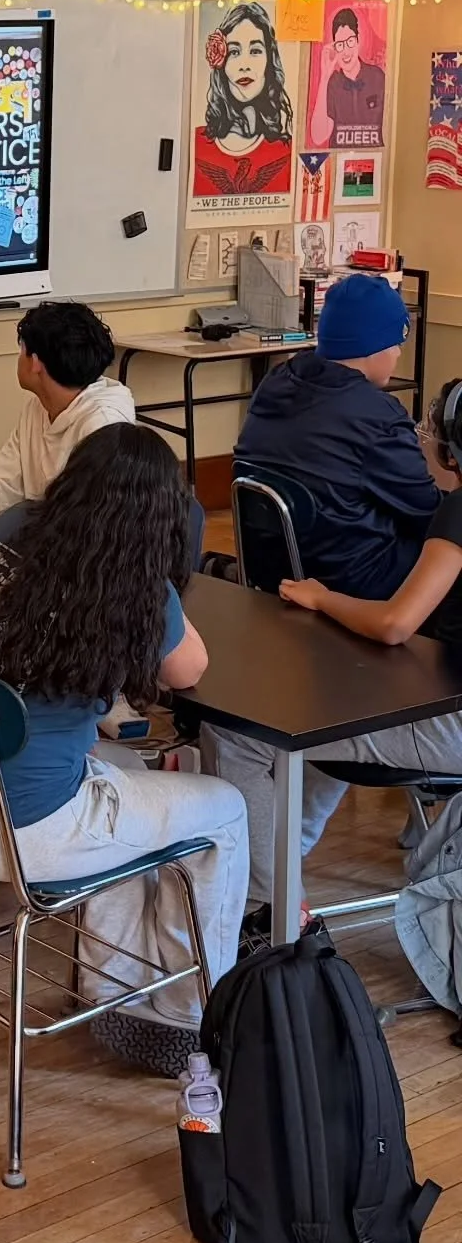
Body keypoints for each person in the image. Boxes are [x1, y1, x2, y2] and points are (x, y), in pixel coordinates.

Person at [0, 424, 249, 1075]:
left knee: (121, 769)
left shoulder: (8, 527)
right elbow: (189, 669)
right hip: (28, 832)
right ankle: (190, 1016)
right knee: (225, 811)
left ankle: (111, 990)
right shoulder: (132, 582)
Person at [206, 381, 462, 920]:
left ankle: (273, 909)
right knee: (331, 720)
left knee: (238, 735)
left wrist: (323, 598)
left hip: (451, 723)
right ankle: (284, 866)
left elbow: (394, 624)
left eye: (430, 434)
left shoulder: (458, 511)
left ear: (451, 453)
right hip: (442, 701)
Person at [234, 271, 436, 599]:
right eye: (397, 342)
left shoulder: (275, 382)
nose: (399, 353)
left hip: (271, 568)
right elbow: (425, 513)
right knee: (449, 543)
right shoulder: (376, 416)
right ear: (374, 345)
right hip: (349, 578)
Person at [0, 300, 135, 540]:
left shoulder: (103, 424)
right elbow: (3, 477)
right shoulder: (38, 408)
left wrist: (2, 528)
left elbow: (91, 525)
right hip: (40, 545)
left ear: (35, 363)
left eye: (22, 351)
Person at [192, 1, 294, 199]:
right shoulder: (198, 143)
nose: (244, 65)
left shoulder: (286, 149)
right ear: (221, 62)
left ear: (269, 60)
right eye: (234, 52)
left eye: (255, 51)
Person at [309, 6, 386, 151]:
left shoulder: (378, 77)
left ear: (358, 40)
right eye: (340, 45)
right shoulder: (333, 83)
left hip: (374, 160)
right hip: (339, 161)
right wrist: (324, 77)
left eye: (350, 41)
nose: (345, 51)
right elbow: (319, 137)